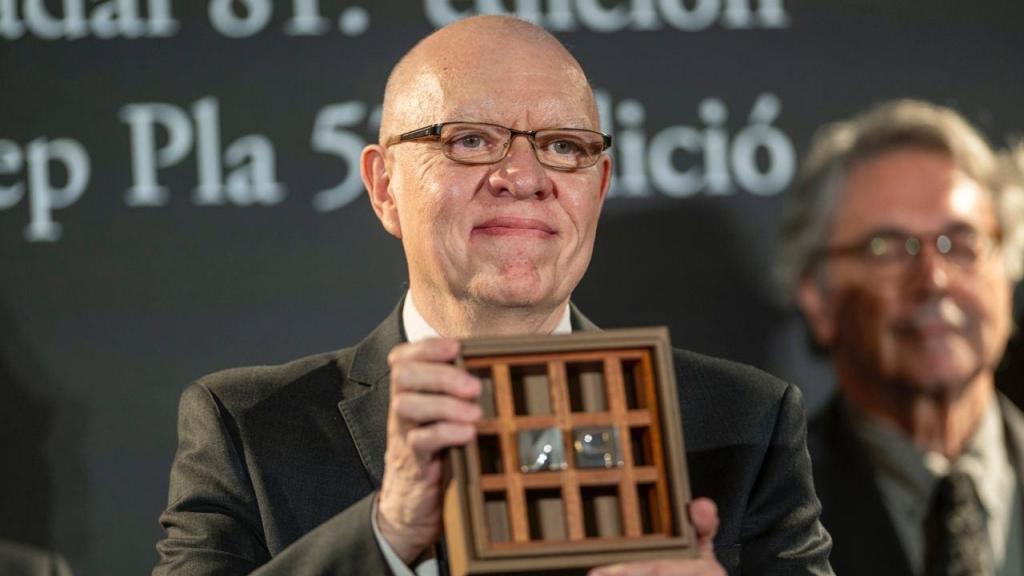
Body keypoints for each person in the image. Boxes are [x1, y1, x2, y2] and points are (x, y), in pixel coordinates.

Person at [154, 15, 831, 575]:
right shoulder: (248, 428)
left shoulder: (745, 423)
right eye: (471, 140)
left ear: (597, 190)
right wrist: (387, 537)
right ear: (385, 186)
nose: (523, 175)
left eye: (564, 146)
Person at [778, 99, 1024, 576]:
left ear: (1008, 270)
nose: (933, 278)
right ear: (818, 299)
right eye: (887, 249)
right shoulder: (768, 508)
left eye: (961, 241)